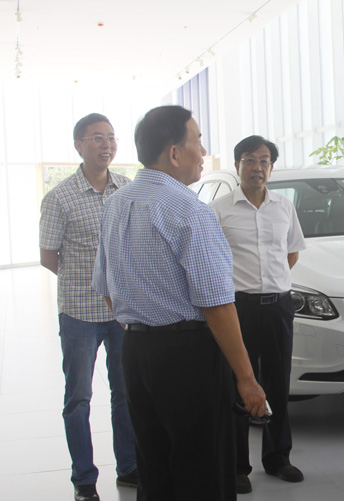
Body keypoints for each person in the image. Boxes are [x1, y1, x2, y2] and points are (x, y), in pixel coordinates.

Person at [92, 105, 267, 501]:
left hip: (136, 350)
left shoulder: (116, 203)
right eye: (198, 141)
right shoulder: (189, 210)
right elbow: (217, 305)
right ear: (174, 153)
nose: (203, 152)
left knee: (154, 464)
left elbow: (105, 287)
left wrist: (145, 326)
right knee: (202, 469)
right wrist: (246, 378)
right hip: (188, 356)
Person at [39, 113, 137, 501]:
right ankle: (84, 478)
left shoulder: (127, 189)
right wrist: (87, 280)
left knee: (126, 393)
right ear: (79, 145)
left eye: (111, 137)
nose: (106, 144)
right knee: (78, 399)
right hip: (79, 312)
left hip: (122, 313)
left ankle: (129, 467)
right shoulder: (59, 198)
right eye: (97, 137)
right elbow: (49, 257)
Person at [211, 135, 306, 493]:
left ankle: (278, 457)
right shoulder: (219, 210)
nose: (257, 167)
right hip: (238, 308)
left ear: (271, 167)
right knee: (239, 382)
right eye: (250, 160)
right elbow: (211, 261)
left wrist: (272, 283)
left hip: (279, 305)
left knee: (279, 383)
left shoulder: (284, 206)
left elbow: (292, 253)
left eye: (264, 161)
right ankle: (238, 466)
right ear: (237, 165)